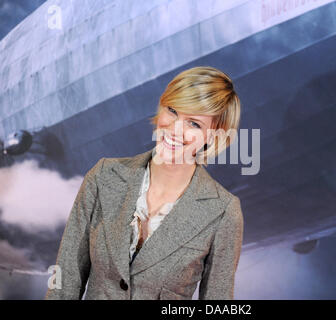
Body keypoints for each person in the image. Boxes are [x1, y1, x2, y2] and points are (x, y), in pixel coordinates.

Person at [45, 66, 244, 300]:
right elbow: (65, 281)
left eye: (194, 124)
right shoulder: (103, 176)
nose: (174, 129)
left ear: (214, 136)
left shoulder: (223, 211)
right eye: (172, 111)